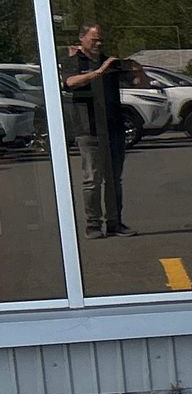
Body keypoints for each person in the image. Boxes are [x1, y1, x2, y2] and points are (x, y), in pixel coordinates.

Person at [60, 23, 137, 238]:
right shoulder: (74, 61)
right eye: (94, 40)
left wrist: (137, 68)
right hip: (89, 128)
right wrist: (98, 72)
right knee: (91, 179)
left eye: (100, 40)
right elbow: (70, 82)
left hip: (113, 127)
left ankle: (115, 222)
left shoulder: (109, 61)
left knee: (114, 179)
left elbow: (139, 83)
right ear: (83, 38)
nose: (98, 44)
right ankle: (92, 225)